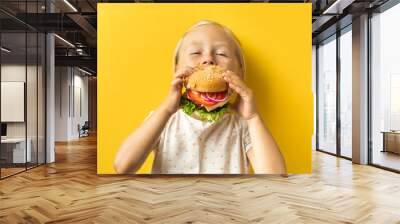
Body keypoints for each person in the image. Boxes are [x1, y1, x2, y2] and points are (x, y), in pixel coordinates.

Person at [114, 20, 287, 174]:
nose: (208, 59)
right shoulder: (164, 119)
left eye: (222, 54)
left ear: (240, 72)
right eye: (196, 52)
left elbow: (275, 177)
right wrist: (166, 109)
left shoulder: (243, 124)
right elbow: (123, 166)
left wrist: (253, 117)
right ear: (176, 69)